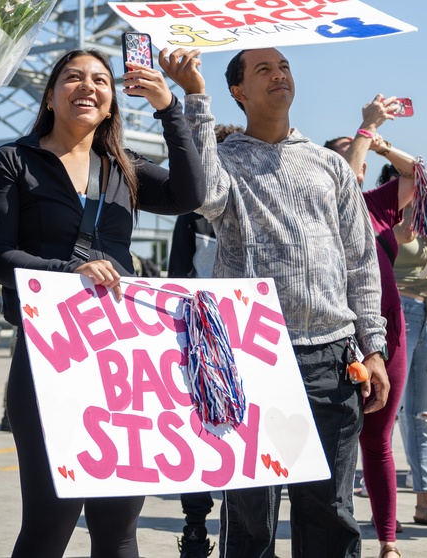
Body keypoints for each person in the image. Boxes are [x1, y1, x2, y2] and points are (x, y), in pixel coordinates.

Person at [159, 47, 390, 558]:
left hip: (333, 358)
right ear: (238, 91)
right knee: (250, 521)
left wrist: (373, 348)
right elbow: (203, 196)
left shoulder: (329, 165)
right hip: (251, 357)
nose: (278, 74)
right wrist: (196, 96)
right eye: (262, 69)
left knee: (331, 514)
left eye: (283, 66)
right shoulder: (227, 161)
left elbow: (360, 264)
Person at [0, 48, 205, 558]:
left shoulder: (124, 168)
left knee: (118, 529)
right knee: (48, 526)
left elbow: (189, 194)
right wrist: (70, 273)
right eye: (73, 77)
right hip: (49, 360)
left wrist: (169, 108)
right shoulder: (14, 161)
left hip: (124, 364)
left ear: (111, 103)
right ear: (50, 94)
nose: (87, 87)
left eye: (101, 81)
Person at [324, 95, 417, 558]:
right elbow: (347, 175)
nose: (355, 151)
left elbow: (418, 176)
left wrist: (380, 143)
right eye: (345, 148)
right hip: (334, 336)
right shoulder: (319, 206)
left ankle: (387, 541)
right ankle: (330, 535)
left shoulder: (377, 206)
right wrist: (362, 129)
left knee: (377, 439)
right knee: (332, 440)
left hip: (389, 333)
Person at [168, 122, 242, 558]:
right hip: (204, 340)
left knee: (240, 436)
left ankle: (240, 531)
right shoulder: (193, 216)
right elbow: (179, 277)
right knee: (200, 430)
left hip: (248, 339)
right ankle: (195, 527)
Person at [392, 203, 427, 527]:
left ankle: (425, 500)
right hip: (400, 309)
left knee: (423, 416)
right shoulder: (394, 217)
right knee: (385, 412)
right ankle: (379, 501)